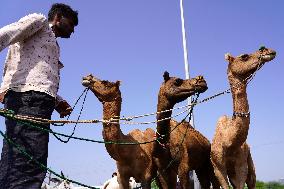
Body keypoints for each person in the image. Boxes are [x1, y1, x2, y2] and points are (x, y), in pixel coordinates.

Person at [0, 3, 78, 189]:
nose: (73, 30)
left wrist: (56, 101)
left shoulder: (53, 43)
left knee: (24, 160)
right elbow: (6, 34)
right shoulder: (40, 21)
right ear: (58, 17)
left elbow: (37, 74)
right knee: (26, 165)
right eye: (71, 24)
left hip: (37, 102)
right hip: (27, 99)